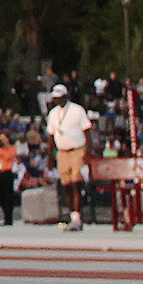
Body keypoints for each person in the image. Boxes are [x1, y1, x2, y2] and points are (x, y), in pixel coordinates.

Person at [44, 85, 91, 231]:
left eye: (59, 98)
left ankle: (77, 217)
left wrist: (88, 153)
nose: (57, 101)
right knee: (66, 185)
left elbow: (87, 132)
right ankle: (73, 216)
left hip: (77, 150)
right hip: (62, 152)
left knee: (77, 182)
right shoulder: (53, 113)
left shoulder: (77, 110)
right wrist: (50, 156)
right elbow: (51, 136)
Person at [0, 134, 22, 226]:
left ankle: (9, 218)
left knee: (8, 196)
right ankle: (5, 215)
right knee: (0, 195)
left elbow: (10, 156)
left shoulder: (11, 149)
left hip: (7, 172)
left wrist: (3, 149)